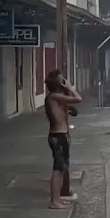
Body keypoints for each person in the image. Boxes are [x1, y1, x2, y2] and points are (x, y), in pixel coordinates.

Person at [44, 69, 82, 209]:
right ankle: (54, 201)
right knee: (57, 168)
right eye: (63, 80)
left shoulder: (58, 98)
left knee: (61, 169)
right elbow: (78, 99)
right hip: (57, 137)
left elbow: (66, 109)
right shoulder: (53, 97)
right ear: (59, 84)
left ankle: (58, 198)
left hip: (62, 135)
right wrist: (71, 88)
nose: (65, 81)